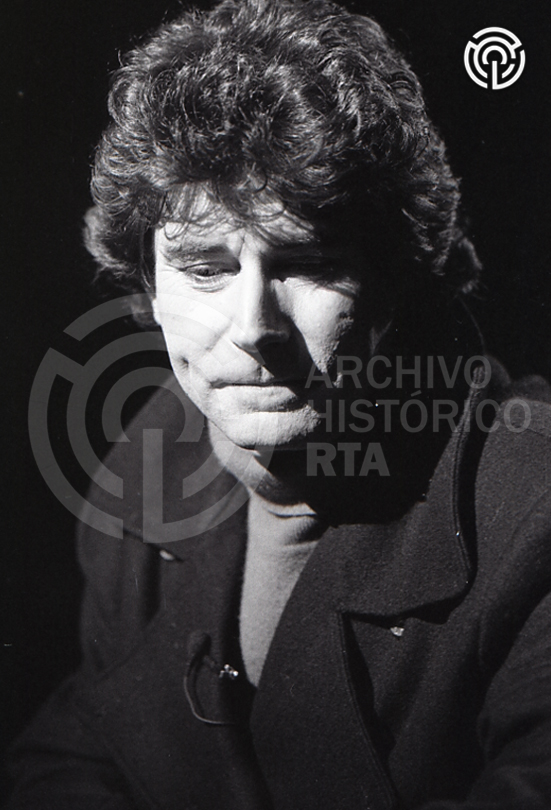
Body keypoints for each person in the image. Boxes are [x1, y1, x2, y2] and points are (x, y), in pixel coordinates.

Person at [6, 0, 551, 808]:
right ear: (148, 287)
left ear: (396, 278)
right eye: (205, 269)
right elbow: (75, 750)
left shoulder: (531, 506)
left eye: (306, 262)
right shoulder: (148, 466)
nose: (254, 328)